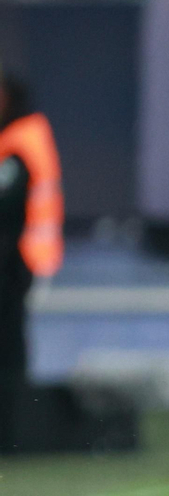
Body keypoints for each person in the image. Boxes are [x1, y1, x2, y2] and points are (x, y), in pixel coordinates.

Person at [0, 76, 62, 454]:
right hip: (19, 259)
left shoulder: (20, 141)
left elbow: (9, 206)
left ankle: (10, 432)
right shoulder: (24, 137)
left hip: (14, 263)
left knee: (8, 349)